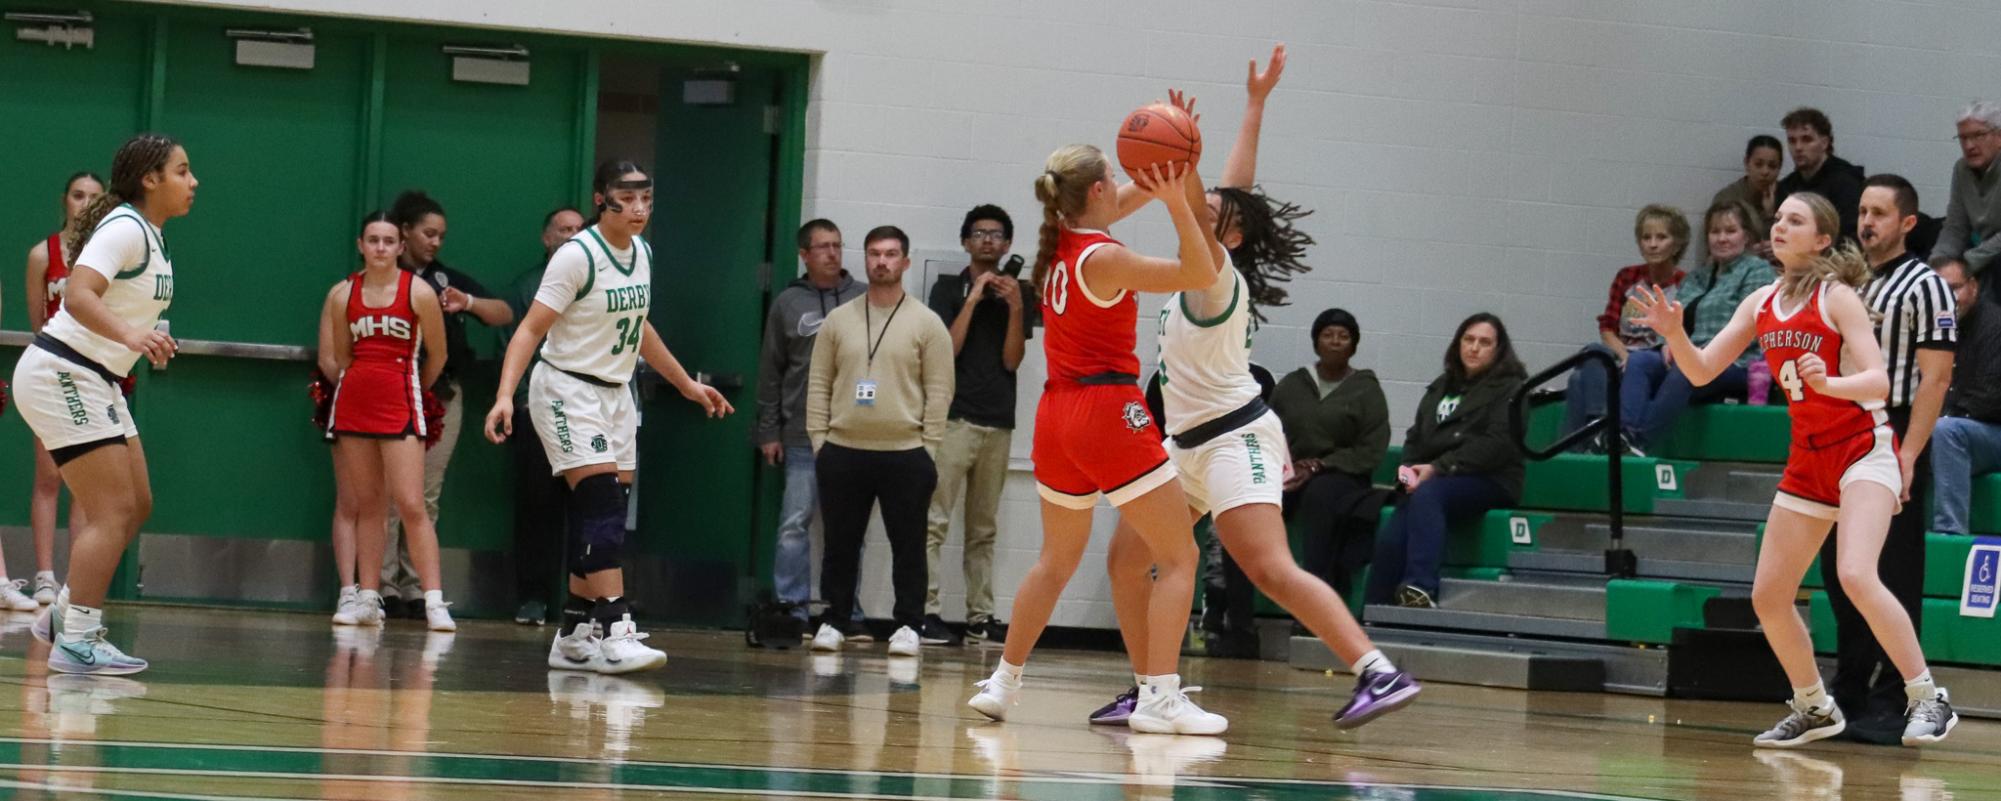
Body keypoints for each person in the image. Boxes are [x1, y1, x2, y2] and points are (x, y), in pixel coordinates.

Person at [1097, 45, 1421, 730]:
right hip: (1183, 446)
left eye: (1210, 206)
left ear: (1231, 235)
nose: (1198, 199)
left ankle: (1377, 670)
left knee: (1270, 568)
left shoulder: (1211, 270)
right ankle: (1150, 690)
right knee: (1127, 560)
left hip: (1233, 437)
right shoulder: (1207, 250)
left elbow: (1207, 206)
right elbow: (1228, 192)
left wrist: (1179, 168)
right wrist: (1253, 104)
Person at [1630, 191, 1956, 748]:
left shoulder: (1839, 298)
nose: (1781, 226)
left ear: (1823, 240)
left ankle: (1928, 697)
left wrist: (1831, 384)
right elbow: (1704, 371)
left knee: (1855, 573)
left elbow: (1878, 381)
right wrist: (1675, 334)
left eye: (1795, 220)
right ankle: (1813, 705)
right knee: (1769, 597)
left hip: (1863, 448)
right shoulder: (1759, 302)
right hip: (1808, 458)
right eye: (1778, 219)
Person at [965, 129, 1230, 736]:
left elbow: (1117, 202)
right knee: (1178, 554)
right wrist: (1174, 202)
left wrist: (1168, 169)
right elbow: (1201, 270)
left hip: (1055, 415)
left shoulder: (1061, 242)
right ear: (1100, 190)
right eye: (1117, 178)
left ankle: (1003, 681)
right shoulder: (1105, 258)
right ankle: (1160, 697)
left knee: (1054, 561)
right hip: (1109, 412)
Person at [484, 159, 732, 675]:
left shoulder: (642, 252)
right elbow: (530, 329)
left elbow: (638, 327)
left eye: (647, 198)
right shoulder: (577, 257)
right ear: (602, 199)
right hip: (567, 389)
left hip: (617, 394)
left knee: (607, 514)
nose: (640, 209)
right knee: (599, 506)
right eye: (628, 198)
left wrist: (685, 384)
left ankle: (574, 634)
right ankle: (616, 629)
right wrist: (506, 394)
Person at [17, 133, 192, 675]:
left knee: (136, 504)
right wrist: (132, 336)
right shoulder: (124, 228)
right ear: (150, 179)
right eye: (182, 171)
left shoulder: (153, 236)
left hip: (97, 377)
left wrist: (142, 337)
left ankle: (60, 616)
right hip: (63, 371)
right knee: (112, 511)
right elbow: (77, 294)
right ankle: (79, 639)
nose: (193, 181)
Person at [1820, 174, 1956, 743]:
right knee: (1836, 569)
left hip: (1893, 428)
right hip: (1841, 427)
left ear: (1907, 223)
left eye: (1880, 213)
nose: (1867, 222)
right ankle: (1848, 687)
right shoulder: (1844, 283)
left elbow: (1937, 376)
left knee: (1891, 571)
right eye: (1862, 211)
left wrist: (1909, 453)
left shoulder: (1925, 285)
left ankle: (1898, 695)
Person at [804, 225, 954, 658]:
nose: (882, 262)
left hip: (906, 453)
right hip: (843, 450)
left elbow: (940, 390)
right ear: (865, 259)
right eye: (874, 254)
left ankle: (909, 623)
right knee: (839, 543)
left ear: (905, 262)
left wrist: (929, 447)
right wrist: (820, 441)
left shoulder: (927, 323)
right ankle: (834, 619)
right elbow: (818, 384)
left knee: (909, 544)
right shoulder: (839, 320)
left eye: (890, 254)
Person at [381, 190, 514, 619]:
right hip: (389, 397)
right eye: (428, 233)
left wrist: (467, 302)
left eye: (441, 235)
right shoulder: (379, 279)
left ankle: (417, 586)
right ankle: (380, 587)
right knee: (387, 495)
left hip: (442, 395)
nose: (436, 242)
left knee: (425, 494)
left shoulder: (445, 281)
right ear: (405, 233)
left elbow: (504, 314)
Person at [323, 211, 454, 631]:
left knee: (412, 503)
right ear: (360, 245)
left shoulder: (418, 292)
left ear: (401, 247)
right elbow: (343, 356)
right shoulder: (344, 295)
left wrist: (410, 385)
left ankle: (434, 601)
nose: (381, 247)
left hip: (400, 401)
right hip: (355, 404)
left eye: (388, 240)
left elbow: (439, 354)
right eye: (373, 240)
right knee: (368, 506)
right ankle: (367, 596)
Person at [921, 204, 1030, 646]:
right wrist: (972, 298)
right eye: (980, 233)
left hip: (998, 421)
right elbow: (945, 350)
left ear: (1007, 245)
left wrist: (1016, 306)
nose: (988, 241)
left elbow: (1012, 360)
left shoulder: (1019, 291)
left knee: (983, 528)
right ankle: (925, 612)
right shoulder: (946, 288)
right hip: (953, 418)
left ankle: (979, 616)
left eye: (997, 234)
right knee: (933, 521)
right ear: (966, 241)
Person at [1365, 313, 1526, 608]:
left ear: (1498, 349)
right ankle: (1372, 614)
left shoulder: (1512, 389)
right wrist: (1407, 477)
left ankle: (1420, 588)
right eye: (1469, 339)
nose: (1474, 348)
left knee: (1428, 494)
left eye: (1484, 342)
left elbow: (1497, 445)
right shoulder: (1441, 385)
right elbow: (1415, 438)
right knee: (1392, 534)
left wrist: (1438, 468)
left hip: (1490, 479)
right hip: (1431, 481)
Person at [754, 219, 868, 632]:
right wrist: (768, 430)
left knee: (848, 528)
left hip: (853, 433)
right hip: (801, 432)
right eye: (822, 247)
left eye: (837, 245)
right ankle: (791, 609)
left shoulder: (862, 298)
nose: (832, 254)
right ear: (805, 255)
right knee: (793, 524)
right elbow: (771, 370)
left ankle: (845, 611)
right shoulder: (788, 302)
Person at [1619, 199, 1774, 451]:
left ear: (1746, 236)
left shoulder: (1758, 272)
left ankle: (1641, 444)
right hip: (1691, 356)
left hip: (1737, 362)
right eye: (1715, 232)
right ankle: (1622, 437)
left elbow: (1750, 331)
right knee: (1640, 362)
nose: (1721, 238)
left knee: (1686, 369)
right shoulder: (1697, 276)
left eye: (1730, 231)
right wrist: (1668, 343)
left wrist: (1690, 351)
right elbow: (1670, 319)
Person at [17, 171, 105, 612]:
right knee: (48, 476)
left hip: (96, 374)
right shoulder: (41, 255)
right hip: (53, 372)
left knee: (86, 485)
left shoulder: (110, 256)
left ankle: (76, 581)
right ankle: (45, 577)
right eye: (77, 195)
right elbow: (37, 321)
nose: (85, 203)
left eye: (94, 196)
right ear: (64, 200)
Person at [1270, 308, 1390, 602]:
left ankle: (1318, 601)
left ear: (1353, 346)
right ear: (1315, 342)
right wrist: (1288, 468)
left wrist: (1321, 465)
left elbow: (1371, 449)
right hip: (1292, 473)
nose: (1335, 341)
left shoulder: (1366, 390)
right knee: (1251, 501)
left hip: (1344, 477)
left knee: (1320, 495)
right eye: (1328, 335)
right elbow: (1268, 432)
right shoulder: (1291, 385)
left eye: (1343, 336)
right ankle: (1237, 620)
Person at [506, 206, 585, 626]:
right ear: (547, 238)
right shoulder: (527, 287)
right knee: (537, 507)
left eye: (579, 229)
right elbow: (515, 343)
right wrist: (518, 400)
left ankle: (583, 603)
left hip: (589, 410)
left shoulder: (600, 280)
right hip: (538, 409)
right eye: (563, 229)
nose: (572, 236)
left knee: (592, 508)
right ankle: (533, 597)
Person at [1563, 205, 1690, 454]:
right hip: (1622, 353)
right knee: (1592, 352)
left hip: (1656, 358)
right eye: (1646, 237)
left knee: (1578, 380)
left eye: (1661, 237)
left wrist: (1635, 362)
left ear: (1677, 245)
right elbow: (1608, 327)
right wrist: (1624, 357)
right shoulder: (1627, 276)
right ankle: (1599, 427)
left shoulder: (1686, 283)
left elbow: (1679, 333)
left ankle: (1583, 447)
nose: (1652, 244)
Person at [1929, 260, 2001, 535]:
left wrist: (1941, 414)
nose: (1947, 299)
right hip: (1962, 425)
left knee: (1946, 431)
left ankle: (1949, 531)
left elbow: (1991, 397)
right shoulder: (1931, 327)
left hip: (1991, 430)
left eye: (1953, 288)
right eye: (1938, 291)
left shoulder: (1996, 327)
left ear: (1973, 286)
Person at [1929, 101, 2001, 280]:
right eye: (1963, 138)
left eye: (1978, 135)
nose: (1969, 145)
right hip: (1981, 253)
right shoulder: (1961, 169)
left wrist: (1965, 264)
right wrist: (1937, 264)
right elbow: (1955, 226)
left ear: (1999, 136)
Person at [1775, 108, 1865, 244]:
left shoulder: (1847, 183)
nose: (1798, 147)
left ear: (1824, 143)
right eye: (1792, 141)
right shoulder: (1786, 186)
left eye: (1807, 139)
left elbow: (1852, 238)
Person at [1712, 135, 1784, 259]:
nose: (1765, 172)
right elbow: (1715, 247)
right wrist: (1747, 252)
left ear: (1779, 168)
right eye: (1758, 164)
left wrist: (1770, 216)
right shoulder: (1728, 198)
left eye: (1772, 166)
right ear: (1747, 163)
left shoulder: (1787, 198)